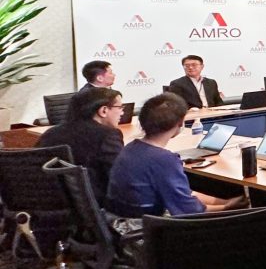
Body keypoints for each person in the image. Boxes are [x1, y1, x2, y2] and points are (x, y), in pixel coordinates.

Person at [106, 93, 242, 216]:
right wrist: (227, 208)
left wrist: (225, 201)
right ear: (180, 123)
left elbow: (184, 195)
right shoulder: (163, 159)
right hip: (144, 226)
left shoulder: (131, 147)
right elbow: (189, 210)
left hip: (118, 221)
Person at [38, 87, 125, 200]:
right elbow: (120, 176)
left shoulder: (50, 133)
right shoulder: (108, 135)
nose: (122, 112)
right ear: (103, 110)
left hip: (52, 201)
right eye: (120, 107)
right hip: (93, 202)